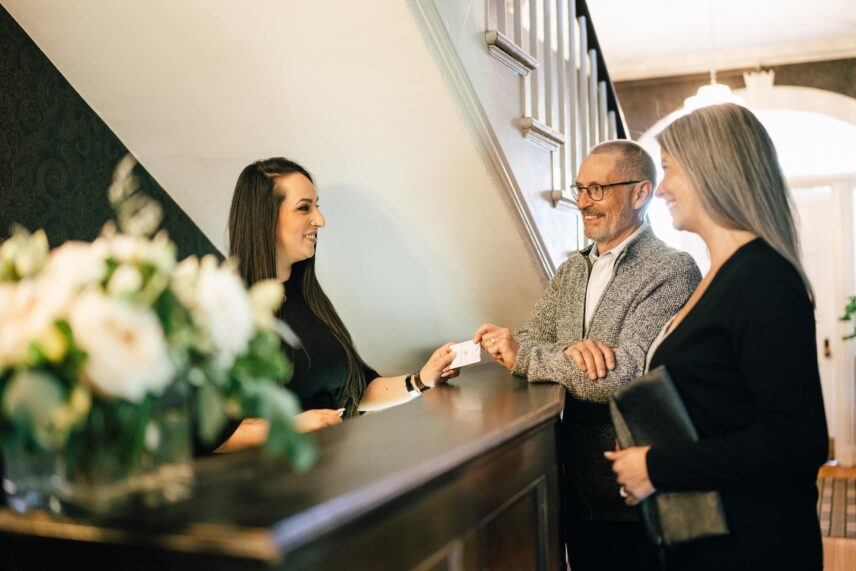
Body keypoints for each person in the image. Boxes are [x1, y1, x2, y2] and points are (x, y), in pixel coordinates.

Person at [606, 103, 828, 570]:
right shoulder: (720, 275)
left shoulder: (763, 279)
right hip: (712, 540)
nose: (661, 188)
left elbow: (795, 440)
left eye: (669, 169)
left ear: (710, 168)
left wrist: (656, 467)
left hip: (756, 547)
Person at [473, 140, 701, 571]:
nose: (581, 203)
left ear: (640, 192)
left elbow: (624, 377)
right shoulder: (571, 270)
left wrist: (532, 357)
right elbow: (528, 338)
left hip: (636, 503)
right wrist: (568, 351)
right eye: (579, 188)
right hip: (574, 493)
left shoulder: (673, 270)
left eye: (597, 189)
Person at [219, 157, 457, 450]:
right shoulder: (226, 310)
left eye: (317, 206)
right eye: (304, 208)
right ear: (263, 217)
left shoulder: (307, 296)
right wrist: (293, 425)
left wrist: (421, 379)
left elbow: (357, 389)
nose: (320, 220)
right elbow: (210, 436)